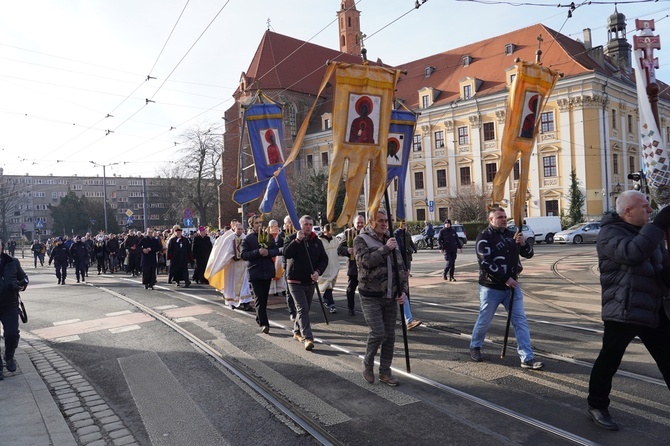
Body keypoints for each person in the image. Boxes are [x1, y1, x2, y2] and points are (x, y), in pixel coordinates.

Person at [586, 191, 670, 431]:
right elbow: (632, 254)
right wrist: (660, 226)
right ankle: (596, 405)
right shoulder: (609, 233)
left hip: (654, 308)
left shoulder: (649, 233)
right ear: (627, 212)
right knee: (609, 360)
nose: (650, 210)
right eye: (645, 206)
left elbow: (659, 269)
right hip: (624, 308)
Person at [469, 207, 543, 370]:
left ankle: (527, 358)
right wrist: (505, 279)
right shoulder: (484, 237)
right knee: (485, 319)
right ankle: (475, 346)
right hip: (491, 287)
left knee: (520, 321)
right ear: (490, 219)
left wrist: (523, 244)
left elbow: (528, 254)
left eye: (504, 217)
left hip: (512, 287)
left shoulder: (512, 233)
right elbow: (485, 262)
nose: (503, 219)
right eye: (499, 217)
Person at [354, 209, 408, 386]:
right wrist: (386, 249)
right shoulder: (361, 239)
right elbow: (365, 262)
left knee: (390, 336)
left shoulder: (390, 239)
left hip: (390, 296)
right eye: (381, 221)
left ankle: (385, 372)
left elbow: (401, 268)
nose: (385, 224)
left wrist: (403, 291)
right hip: (370, 295)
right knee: (378, 332)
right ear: (371, 221)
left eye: (387, 220)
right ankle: (368, 364)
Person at [283, 215, 328, 351]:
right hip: (294, 280)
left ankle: (297, 331)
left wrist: (318, 272)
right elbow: (286, 253)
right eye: (305, 224)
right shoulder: (290, 238)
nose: (308, 227)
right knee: (302, 308)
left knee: (305, 308)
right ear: (300, 225)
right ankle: (308, 337)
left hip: (310, 280)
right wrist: (297, 240)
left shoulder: (317, 241)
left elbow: (324, 259)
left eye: (310, 224)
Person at [241, 216, 279, 334]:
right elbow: (244, 255)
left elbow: (276, 250)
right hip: (255, 272)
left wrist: (268, 252)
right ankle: (264, 323)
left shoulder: (267, 236)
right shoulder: (248, 239)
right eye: (256, 223)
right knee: (259, 298)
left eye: (260, 222)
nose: (259, 225)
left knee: (264, 298)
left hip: (267, 271)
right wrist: (257, 252)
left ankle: (259, 318)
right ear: (251, 225)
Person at [0, 239, 29, 380]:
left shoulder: (12, 262)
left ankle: (9, 356)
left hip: (10, 304)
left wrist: (22, 284)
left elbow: (24, 277)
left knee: (12, 334)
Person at [393, 220, 421, 330]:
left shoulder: (406, 234)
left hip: (401, 266)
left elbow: (402, 251)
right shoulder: (394, 235)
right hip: (383, 277)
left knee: (403, 294)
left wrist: (405, 269)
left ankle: (408, 321)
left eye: (390, 221)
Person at [338, 214, 366, 316]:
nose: (360, 224)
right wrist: (347, 250)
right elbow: (339, 249)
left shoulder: (367, 233)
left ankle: (367, 309)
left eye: (361, 222)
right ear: (354, 223)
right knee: (351, 289)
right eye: (358, 222)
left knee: (366, 290)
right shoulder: (348, 233)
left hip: (366, 267)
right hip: (353, 267)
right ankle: (351, 308)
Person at [318, 223, 341, 314]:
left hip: (334, 265)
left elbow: (339, 249)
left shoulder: (335, 240)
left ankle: (326, 300)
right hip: (325, 267)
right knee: (327, 284)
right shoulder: (320, 241)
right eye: (327, 232)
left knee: (330, 285)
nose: (328, 234)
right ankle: (331, 304)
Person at [280, 216, 297, 320]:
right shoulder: (282, 234)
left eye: (292, 222)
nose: (290, 224)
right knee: (289, 290)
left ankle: (298, 309)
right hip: (287, 264)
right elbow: (279, 248)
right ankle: (292, 311)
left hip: (298, 265)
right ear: (285, 224)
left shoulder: (298, 232)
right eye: (288, 222)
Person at [267, 220, 286, 297]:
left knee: (280, 273)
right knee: (273, 274)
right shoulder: (268, 235)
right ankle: (273, 290)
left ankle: (281, 289)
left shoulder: (280, 234)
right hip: (272, 256)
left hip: (278, 256)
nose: (274, 228)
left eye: (275, 226)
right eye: (272, 226)